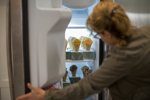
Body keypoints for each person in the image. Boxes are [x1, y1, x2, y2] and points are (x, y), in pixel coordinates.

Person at [16, 1, 150, 100]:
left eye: (99, 35)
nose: (101, 39)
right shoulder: (146, 31)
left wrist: (46, 96)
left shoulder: (123, 56)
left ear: (107, 34)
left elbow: (89, 85)